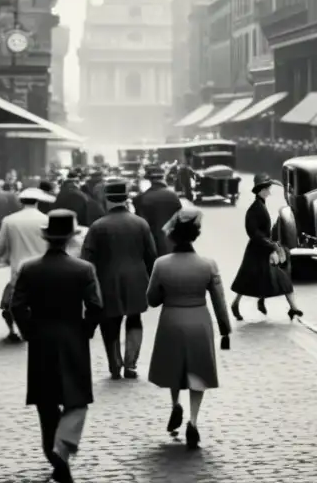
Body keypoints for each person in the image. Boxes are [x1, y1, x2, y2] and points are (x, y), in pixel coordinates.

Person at [11, 209, 103, 483]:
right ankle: (63, 450)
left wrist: (30, 331)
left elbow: (17, 306)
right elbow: (96, 306)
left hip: (41, 339)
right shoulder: (83, 269)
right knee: (76, 399)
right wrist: (85, 330)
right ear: (69, 239)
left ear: (48, 238)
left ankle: (53, 453)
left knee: (46, 402)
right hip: (72, 337)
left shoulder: (29, 268)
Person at [147, 204, 231, 449]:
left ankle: (175, 405)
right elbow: (219, 301)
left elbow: (151, 299)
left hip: (171, 320)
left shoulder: (161, 264)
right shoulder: (208, 265)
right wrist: (225, 329)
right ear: (196, 235)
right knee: (197, 372)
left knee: (174, 366)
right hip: (198, 320)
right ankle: (193, 421)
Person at [81, 179, 157, 380]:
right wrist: (152, 282)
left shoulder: (97, 227)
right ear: (126, 199)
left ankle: (115, 365)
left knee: (110, 324)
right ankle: (131, 364)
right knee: (134, 320)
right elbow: (152, 256)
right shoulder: (140, 223)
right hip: (136, 280)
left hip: (107, 281)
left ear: (107, 200)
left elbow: (86, 260)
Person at [230, 173, 303, 321]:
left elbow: (263, 231)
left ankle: (292, 308)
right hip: (256, 251)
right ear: (261, 190)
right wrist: (271, 246)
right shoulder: (254, 209)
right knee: (247, 282)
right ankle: (235, 304)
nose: (270, 191)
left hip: (262, 249)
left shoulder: (260, 205)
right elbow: (254, 233)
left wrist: (273, 241)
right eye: (268, 188)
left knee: (266, 280)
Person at [0, 188, 51, 343]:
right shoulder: (46, 220)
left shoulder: (9, 220)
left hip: (18, 270)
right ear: (38, 201)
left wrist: (6, 257)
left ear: (21, 202)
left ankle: (18, 330)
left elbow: (0, 248)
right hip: (43, 268)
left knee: (13, 302)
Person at [132, 165, 182, 257]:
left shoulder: (142, 198)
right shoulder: (173, 196)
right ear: (163, 178)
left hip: (154, 245)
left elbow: (141, 226)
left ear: (149, 179)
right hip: (174, 244)